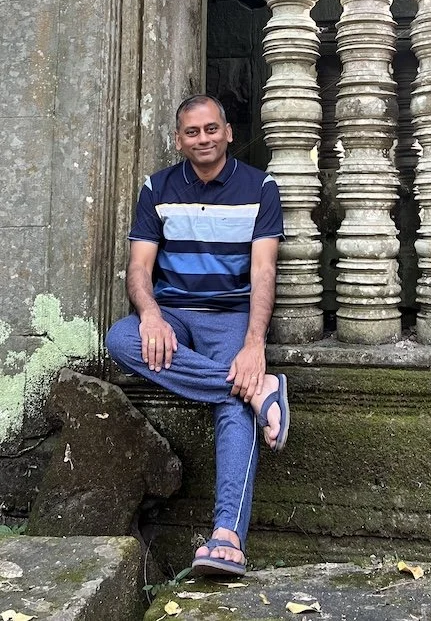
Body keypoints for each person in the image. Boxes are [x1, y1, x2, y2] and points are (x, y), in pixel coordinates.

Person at [106, 94, 289, 578]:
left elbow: (264, 272)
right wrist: (149, 315)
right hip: (173, 315)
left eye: (211, 129)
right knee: (121, 339)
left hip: (230, 316)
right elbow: (139, 267)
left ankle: (228, 534)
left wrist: (254, 344)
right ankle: (258, 391)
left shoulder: (260, 187)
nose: (203, 138)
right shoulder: (158, 187)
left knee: (232, 407)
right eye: (192, 131)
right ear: (179, 140)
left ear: (228, 132)